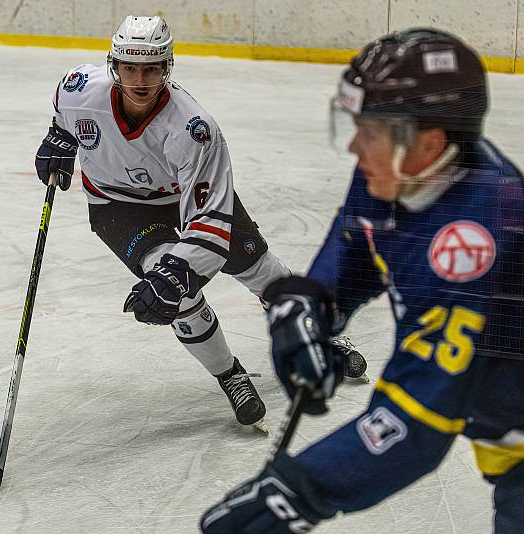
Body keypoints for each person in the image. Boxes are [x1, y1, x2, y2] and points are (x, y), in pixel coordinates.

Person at [200, 28, 524, 532]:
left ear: (428, 142)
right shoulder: (398, 169)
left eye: (367, 131)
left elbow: (416, 421)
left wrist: (298, 491)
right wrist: (307, 311)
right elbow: (355, 254)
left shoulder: (478, 242)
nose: (354, 145)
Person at [35, 15, 367, 429]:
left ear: (167, 67)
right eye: (130, 67)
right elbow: (65, 117)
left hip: (182, 198)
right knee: (179, 296)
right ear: (113, 65)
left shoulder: (193, 128)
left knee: (256, 268)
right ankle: (231, 375)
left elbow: (209, 220)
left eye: (152, 68)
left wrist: (177, 274)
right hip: (117, 205)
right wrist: (60, 138)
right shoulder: (77, 88)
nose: (140, 79)